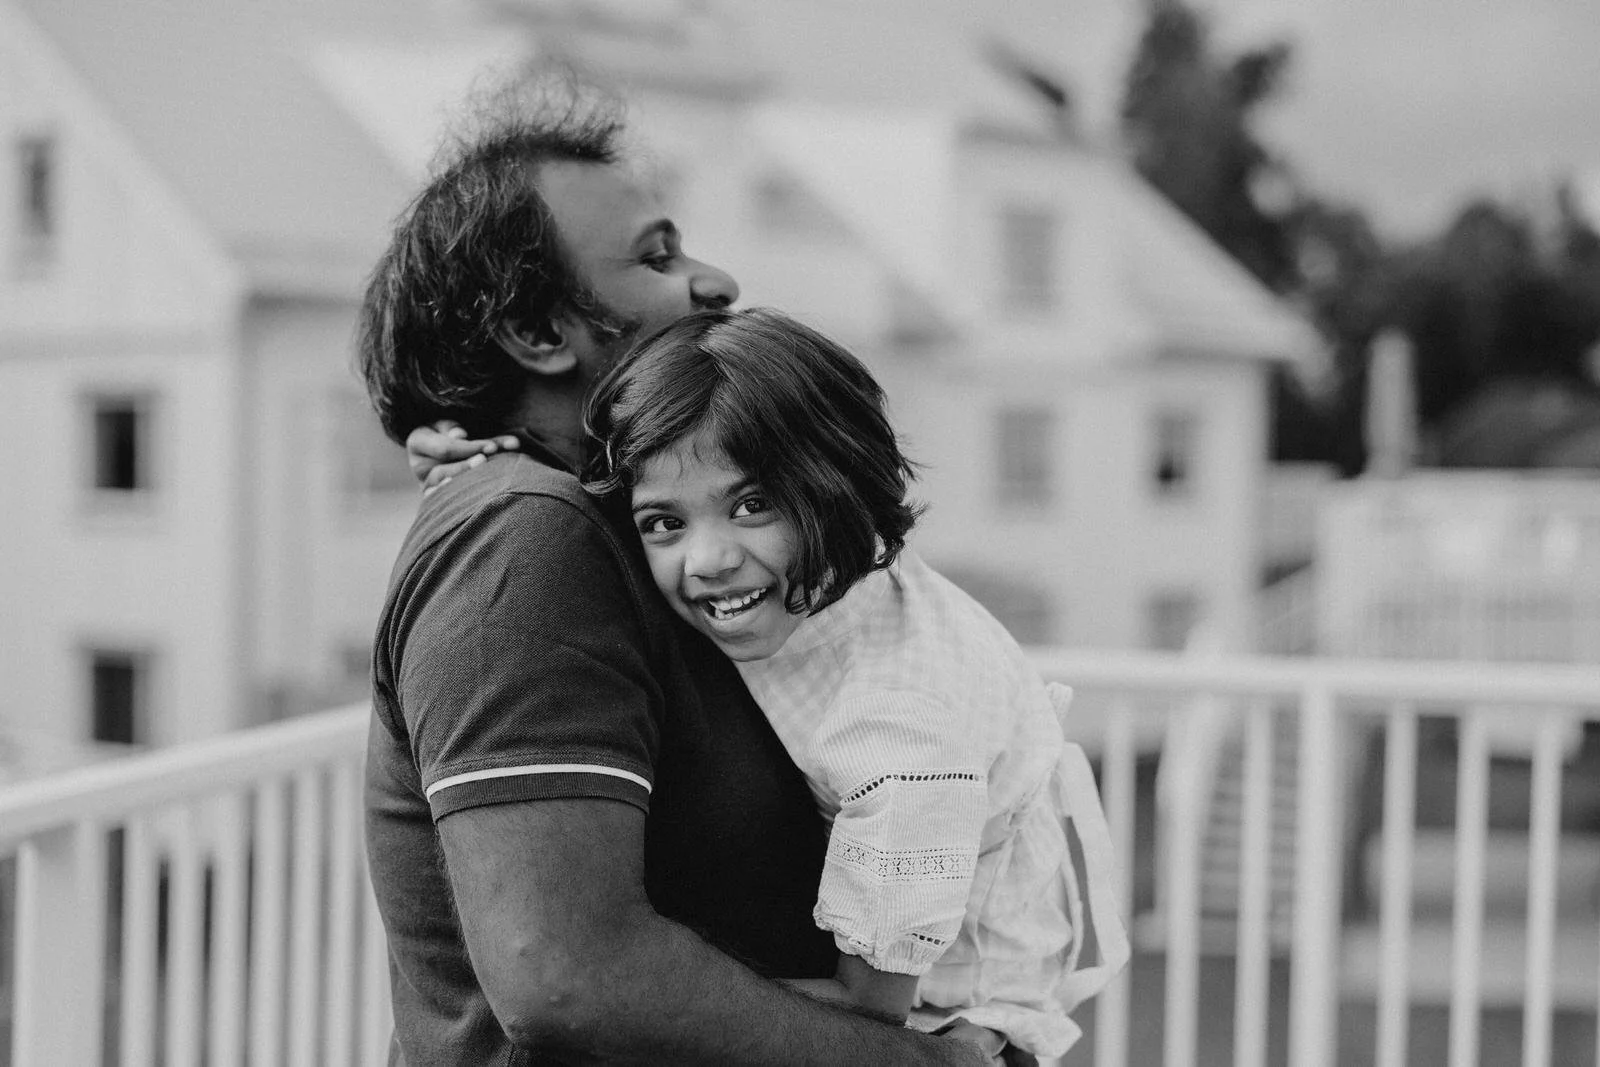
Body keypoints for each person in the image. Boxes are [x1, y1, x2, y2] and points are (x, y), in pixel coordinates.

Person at [360, 83, 1001, 1065]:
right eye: (657, 256)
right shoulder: (522, 540)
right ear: (538, 332)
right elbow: (568, 976)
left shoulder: (603, 514)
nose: (716, 279)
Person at [424, 307, 1130, 1058]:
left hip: (951, 1018)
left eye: (752, 505)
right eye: (664, 522)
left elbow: (871, 1007)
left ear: (837, 488)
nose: (708, 558)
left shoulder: (901, 732)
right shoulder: (821, 577)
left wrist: (624, 989)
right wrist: (493, 450)